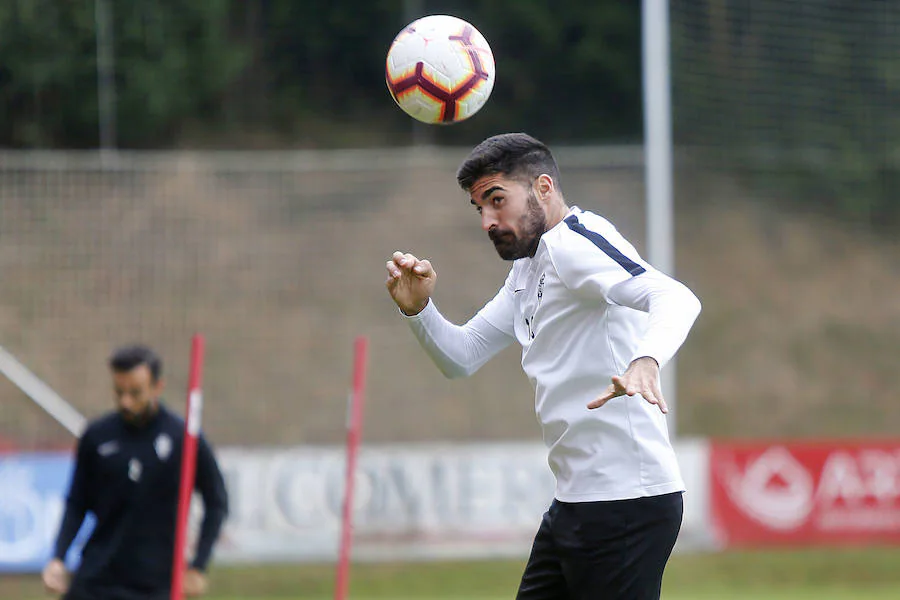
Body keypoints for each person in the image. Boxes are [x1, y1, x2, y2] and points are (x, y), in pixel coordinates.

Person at [385, 133, 702, 600]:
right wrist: (419, 310)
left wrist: (645, 361)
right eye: (479, 209)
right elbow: (461, 356)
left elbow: (674, 297)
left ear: (544, 188)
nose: (488, 221)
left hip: (626, 504)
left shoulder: (574, 242)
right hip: (575, 504)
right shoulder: (527, 271)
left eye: (497, 200)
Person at [42, 344, 229, 600]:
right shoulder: (97, 436)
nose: (125, 401)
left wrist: (198, 566)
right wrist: (58, 557)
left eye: (135, 393)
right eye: (119, 392)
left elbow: (216, 501)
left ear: (157, 387)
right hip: (97, 581)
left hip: (157, 586)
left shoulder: (183, 438)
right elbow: (77, 502)